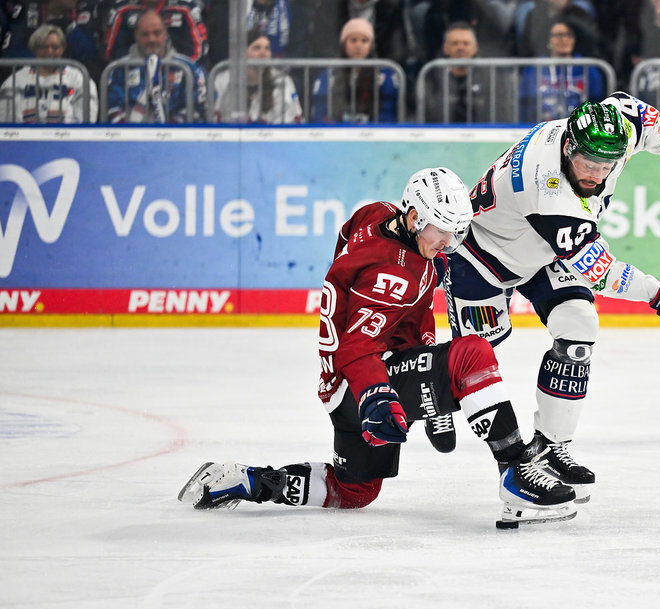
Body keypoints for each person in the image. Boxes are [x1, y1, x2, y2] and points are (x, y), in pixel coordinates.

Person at [178, 168, 578, 527]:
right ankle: (516, 472)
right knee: (471, 355)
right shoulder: (395, 274)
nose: (448, 242)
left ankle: (248, 481)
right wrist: (376, 394)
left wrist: (419, 350)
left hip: (339, 383)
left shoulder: (377, 214)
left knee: (355, 490)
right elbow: (357, 343)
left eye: (455, 231)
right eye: (441, 230)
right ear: (416, 216)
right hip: (362, 376)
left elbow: (353, 262)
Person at [444, 93, 660, 501]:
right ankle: (442, 405)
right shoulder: (548, 187)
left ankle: (546, 450)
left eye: (606, 166)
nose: (596, 174)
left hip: (540, 254)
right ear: (569, 148)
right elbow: (601, 272)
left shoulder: (616, 128)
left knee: (579, 324)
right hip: (482, 258)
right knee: (474, 362)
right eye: (587, 164)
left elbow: (645, 118)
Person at [106, 9, 207, 123]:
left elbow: (197, 108)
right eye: (145, 34)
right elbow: (112, 108)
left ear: (166, 34)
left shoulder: (188, 68)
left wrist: (172, 129)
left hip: (177, 138)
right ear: (136, 36)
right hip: (132, 138)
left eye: (157, 33)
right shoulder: (118, 69)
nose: (151, 39)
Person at [0, 23, 98, 123]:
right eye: (43, 47)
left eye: (55, 47)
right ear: (34, 49)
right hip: (26, 137)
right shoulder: (16, 80)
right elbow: (6, 120)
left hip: (67, 137)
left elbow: (87, 120)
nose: (49, 52)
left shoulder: (78, 78)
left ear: (62, 49)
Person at [422, 21, 515, 123]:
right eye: (455, 43)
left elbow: (500, 115)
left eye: (466, 43)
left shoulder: (491, 78)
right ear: (445, 48)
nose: (460, 48)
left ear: (475, 48)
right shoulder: (433, 78)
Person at [311, 17, 400, 124]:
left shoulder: (385, 75)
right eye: (353, 40)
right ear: (344, 44)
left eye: (364, 40)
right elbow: (321, 113)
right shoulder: (329, 75)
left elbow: (388, 115)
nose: (358, 46)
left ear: (371, 45)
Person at [518, 19, 605, 123]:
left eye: (568, 35)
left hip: (579, 129)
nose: (564, 39)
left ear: (574, 40)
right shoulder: (535, 69)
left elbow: (597, 102)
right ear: (548, 39)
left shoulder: (588, 69)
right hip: (543, 128)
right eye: (558, 35)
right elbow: (524, 104)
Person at [212, 27, 302, 124]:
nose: (263, 53)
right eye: (256, 48)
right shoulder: (223, 80)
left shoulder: (283, 81)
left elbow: (292, 119)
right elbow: (213, 117)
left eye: (267, 48)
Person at [104, 0, 208, 64]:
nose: (151, 38)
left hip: (177, 75)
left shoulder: (186, 7)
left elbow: (198, 51)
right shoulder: (122, 8)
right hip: (132, 77)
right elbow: (112, 51)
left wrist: (177, 70)